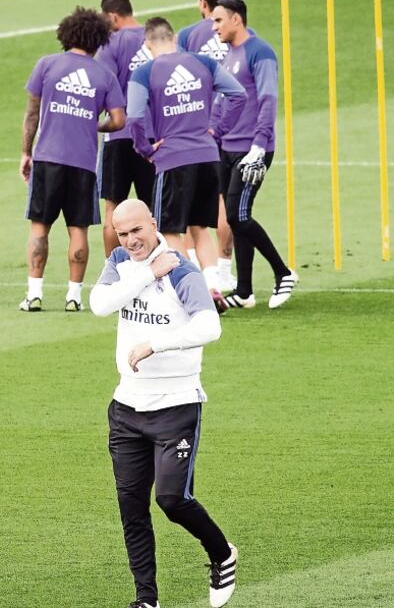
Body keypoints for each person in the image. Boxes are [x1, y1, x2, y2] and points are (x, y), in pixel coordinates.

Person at [90, 198, 237, 608]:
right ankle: (146, 599)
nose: (130, 240)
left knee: (172, 500)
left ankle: (222, 553)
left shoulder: (181, 270)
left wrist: (155, 344)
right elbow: (100, 305)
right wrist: (145, 274)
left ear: (153, 223)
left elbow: (210, 327)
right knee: (131, 506)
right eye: (122, 233)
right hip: (126, 408)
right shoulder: (121, 261)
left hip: (175, 406)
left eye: (137, 230)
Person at [126, 17, 246, 310]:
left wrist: (145, 149)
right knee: (200, 228)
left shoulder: (145, 72)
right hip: (207, 156)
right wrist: (217, 130)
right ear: (174, 38)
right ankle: (213, 286)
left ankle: (193, 291)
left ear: (147, 44)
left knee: (169, 231)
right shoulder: (204, 63)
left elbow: (134, 117)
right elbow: (238, 95)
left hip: (173, 159)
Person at [19, 6, 125, 312]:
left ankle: (34, 294)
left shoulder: (47, 64)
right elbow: (119, 120)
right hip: (83, 163)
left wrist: (26, 152)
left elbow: (32, 114)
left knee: (40, 228)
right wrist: (95, 125)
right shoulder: (104, 75)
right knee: (78, 229)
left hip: (47, 158)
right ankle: (74, 296)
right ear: (98, 39)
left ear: (66, 34)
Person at [212, 0, 298, 309]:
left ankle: (283, 272)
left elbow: (268, 99)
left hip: (252, 149)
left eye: (219, 20)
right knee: (235, 219)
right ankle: (245, 291)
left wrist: (260, 144)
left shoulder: (260, 52)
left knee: (238, 215)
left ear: (236, 19)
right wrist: (213, 134)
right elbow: (222, 101)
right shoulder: (228, 55)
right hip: (227, 148)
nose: (214, 27)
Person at [178, 0, 238, 288]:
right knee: (226, 200)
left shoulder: (188, 35)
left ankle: (194, 267)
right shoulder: (240, 32)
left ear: (202, 2)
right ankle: (224, 271)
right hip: (234, 124)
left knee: (191, 199)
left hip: (198, 125)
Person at [96, 0, 155, 257]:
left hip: (118, 134)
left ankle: (114, 271)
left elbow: (103, 86)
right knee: (152, 209)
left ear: (112, 16)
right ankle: (155, 268)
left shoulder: (109, 44)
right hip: (153, 136)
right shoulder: (154, 37)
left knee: (113, 208)